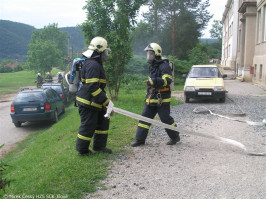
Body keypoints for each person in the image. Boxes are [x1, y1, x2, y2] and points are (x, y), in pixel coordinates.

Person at [131, 43, 180, 147]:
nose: (148, 56)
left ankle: (175, 137)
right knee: (144, 118)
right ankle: (140, 140)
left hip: (162, 98)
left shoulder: (164, 65)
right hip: (151, 97)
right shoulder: (152, 66)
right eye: (148, 54)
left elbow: (167, 80)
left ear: (156, 53)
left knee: (165, 119)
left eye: (150, 53)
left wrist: (154, 81)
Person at [75, 36, 112, 156]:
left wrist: (104, 102)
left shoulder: (95, 63)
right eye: (105, 51)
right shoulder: (93, 65)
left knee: (103, 121)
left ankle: (99, 146)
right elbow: (92, 87)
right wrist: (106, 101)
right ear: (99, 51)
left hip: (95, 101)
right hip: (88, 102)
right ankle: (83, 151)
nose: (106, 54)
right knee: (88, 126)